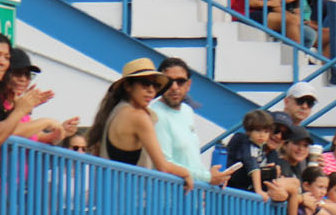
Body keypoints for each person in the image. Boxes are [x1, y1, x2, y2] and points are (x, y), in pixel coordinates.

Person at [84, 58, 194, 190]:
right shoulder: (139, 117)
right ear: (128, 86)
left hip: (108, 197)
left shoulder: (115, 111)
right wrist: (187, 174)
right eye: (145, 84)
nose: (151, 90)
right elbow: (163, 166)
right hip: (127, 199)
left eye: (155, 86)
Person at [150, 57, 233, 186]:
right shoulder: (155, 114)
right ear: (159, 84)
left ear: (188, 85)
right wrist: (207, 177)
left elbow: (190, 158)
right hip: (166, 198)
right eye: (168, 81)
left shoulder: (187, 111)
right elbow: (165, 164)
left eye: (180, 81)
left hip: (189, 196)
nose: (174, 87)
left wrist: (211, 178)